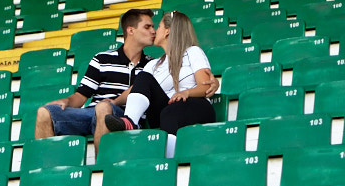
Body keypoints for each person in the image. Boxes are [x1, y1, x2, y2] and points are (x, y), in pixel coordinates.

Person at [35, 8, 156, 152]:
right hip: (91, 114)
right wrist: (67, 101)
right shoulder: (102, 59)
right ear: (131, 30)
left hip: (125, 118)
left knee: (103, 107)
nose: (153, 31)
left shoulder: (152, 65)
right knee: (44, 112)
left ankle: (102, 168)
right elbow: (81, 96)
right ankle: (47, 171)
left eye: (153, 27)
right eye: (148, 27)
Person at [105, 10, 219, 135]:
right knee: (144, 78)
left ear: (167, 31)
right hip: (166, 110)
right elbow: (136, 89)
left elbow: (206, 86)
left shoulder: (192, 52)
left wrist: (186, 93)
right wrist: (115, 102)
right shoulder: (153, 64)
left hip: (194, 107)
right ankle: (129, 121)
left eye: (158, 27)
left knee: (170, 112)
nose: (154, 31)